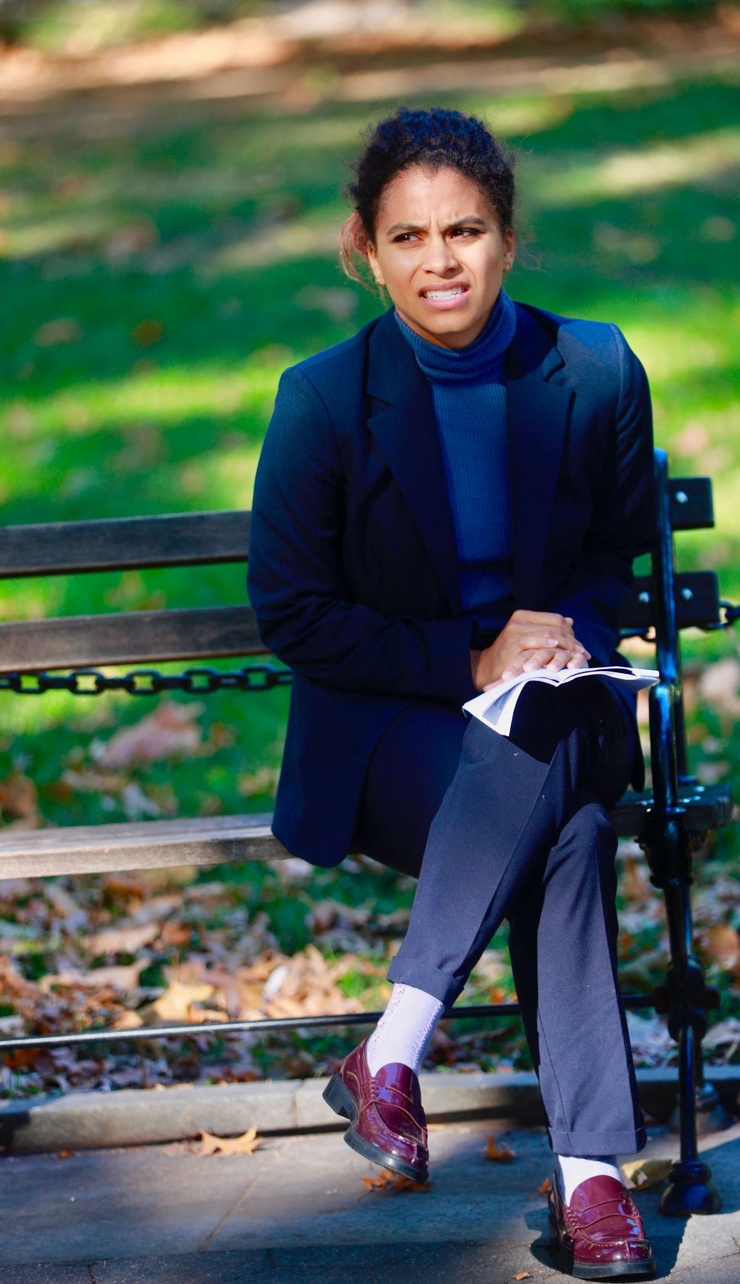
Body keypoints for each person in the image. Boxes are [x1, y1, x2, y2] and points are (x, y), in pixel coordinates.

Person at [248, 106, 657, 1280]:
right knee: (562, 816)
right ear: (363, 251)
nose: (441, 260)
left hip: (549, 708)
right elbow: (295, 613)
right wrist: (466, 661)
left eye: (466, 231)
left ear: (508, 240)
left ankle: (393, 1055)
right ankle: (590, 1182)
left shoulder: (589, 370)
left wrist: (554, 644)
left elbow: (608, 557)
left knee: (557, 793)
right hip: (388, 737)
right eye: (410, 235)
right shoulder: (323, 399)